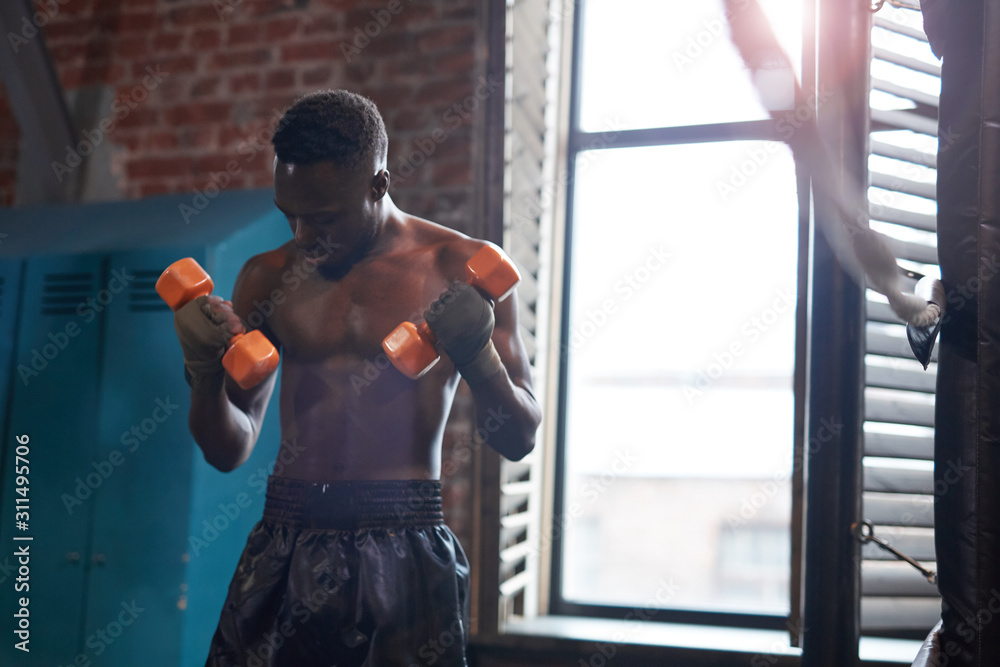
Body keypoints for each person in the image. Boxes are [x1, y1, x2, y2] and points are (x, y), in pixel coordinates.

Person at [172, 89, 541, 666]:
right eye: (287, 214)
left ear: (379, 184)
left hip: (403, 540)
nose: (301, 234)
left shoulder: (458, 268)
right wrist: (202, 375)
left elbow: (518, 438)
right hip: (286, 537)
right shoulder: (268, 277)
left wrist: (478, 355)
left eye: (322, 218)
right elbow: (229, 448)